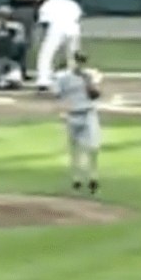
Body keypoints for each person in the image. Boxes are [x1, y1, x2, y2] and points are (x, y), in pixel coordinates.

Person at [52, 51, 102, 194]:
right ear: (73, 62)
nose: (80, 64)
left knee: (93, 146)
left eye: (82, 61)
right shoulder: (63, 78)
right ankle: (77, 179)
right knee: (75, 149)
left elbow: (95, 95)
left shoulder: (91, 75)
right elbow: (57, 94)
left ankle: (93, 177)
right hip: (72, 115)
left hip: (88, 113)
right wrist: (61, 111)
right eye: (78, 61)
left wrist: (88, 82)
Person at [35, 0, 83, 91]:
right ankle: (71, 80)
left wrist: (43, 39)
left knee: (46, 55)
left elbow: (45, 24)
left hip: (57, 29)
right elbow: (78, 18)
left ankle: (43, 80)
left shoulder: (47, 5)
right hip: (74, 29)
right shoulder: (72, 3)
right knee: (71, 56)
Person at [6, 0, 45, 79]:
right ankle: (13, 69)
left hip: (33, 11)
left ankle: (22, 69)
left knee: (27, 42)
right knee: (17, 41)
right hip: (20, 10)